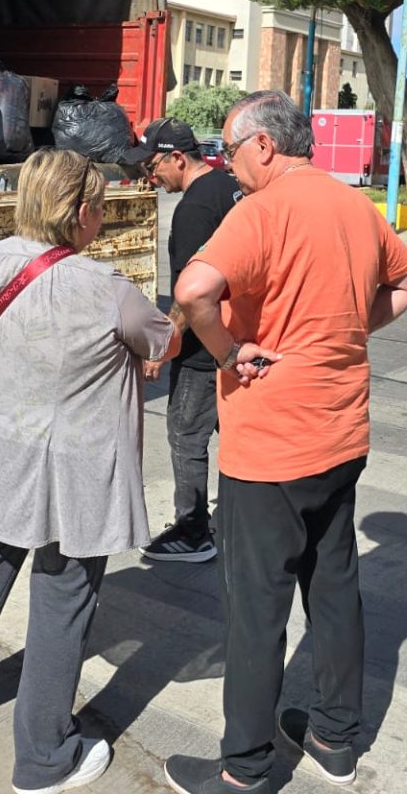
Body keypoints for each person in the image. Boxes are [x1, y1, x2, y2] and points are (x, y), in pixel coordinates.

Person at [0, 148, 179, 794]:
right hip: (67, 470)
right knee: (63, 594)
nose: (102, 219)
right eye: (98, 208)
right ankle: (45, 759)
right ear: (77, 215)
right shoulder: (106, 290)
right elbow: (163, 339)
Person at [164, 91, 407, 794]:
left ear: (264, 146)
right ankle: (337, 739)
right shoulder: (352, 205)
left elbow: (194, 290)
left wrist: (225, 353)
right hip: (340, 431)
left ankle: (244, 768)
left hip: (272, 442)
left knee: (256, 606)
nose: (227, 165)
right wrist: (343, 334)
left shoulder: (263, 210)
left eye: (230, 150)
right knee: (334, 586)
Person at [125, 117, 240, 563]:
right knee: (231, 434)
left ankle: (193, 532)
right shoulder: (229, 187)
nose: (150, 177)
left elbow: (192, 294)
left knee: (186, 436)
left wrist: (162, 348)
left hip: (201, 351)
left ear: (177, 157)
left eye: (154, 166)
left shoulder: (194, 208)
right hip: (235, 336)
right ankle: (236, 520)